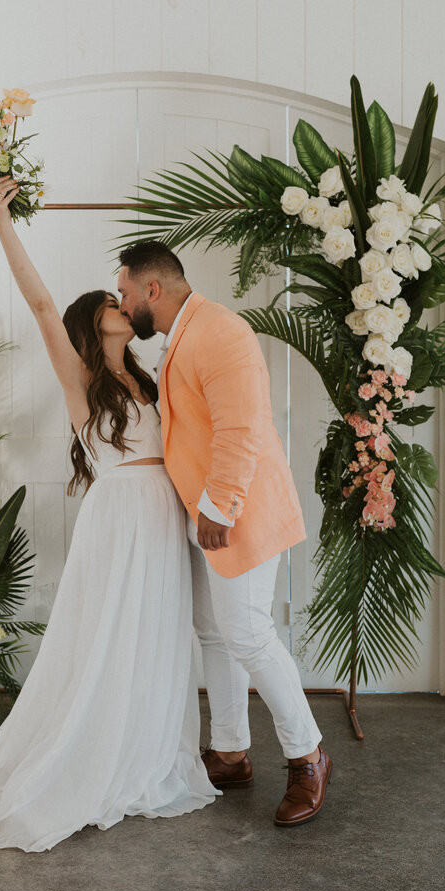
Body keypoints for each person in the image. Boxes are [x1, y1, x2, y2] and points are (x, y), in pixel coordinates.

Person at [0, 180, 218, 851]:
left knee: (155, 633)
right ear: (94, 321)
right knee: (107, 635)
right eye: (111, 302)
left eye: (123, 298)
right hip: (117, 515)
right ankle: (89, 754)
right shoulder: (80, 381)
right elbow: (37, 300)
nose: (122, 304)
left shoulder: (150, 377)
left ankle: (144, 749)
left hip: (161, 515)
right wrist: (1, 220)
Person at [116, 240, 332, 827]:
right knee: (213, 631)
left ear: (151, 290)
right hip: (205, 512)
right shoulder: (182, 335)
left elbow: (243, 430)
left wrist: (218, 508)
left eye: (125, 292)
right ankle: (232, 751)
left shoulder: (221, 331)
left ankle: (308, 754)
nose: (122, 301)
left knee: (248, 633)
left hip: (240, 513)